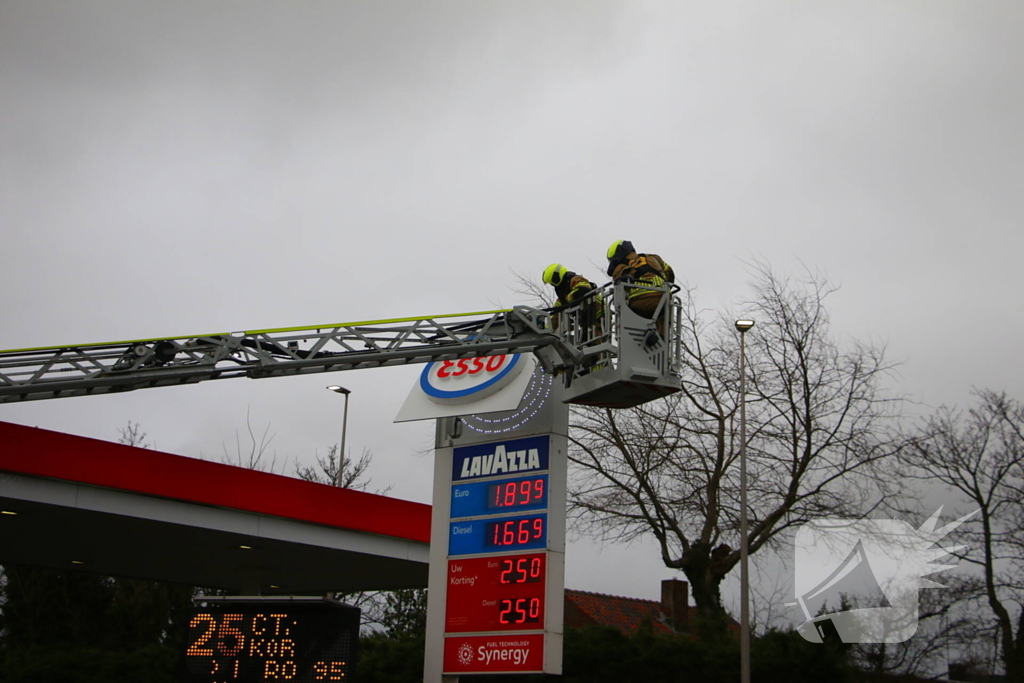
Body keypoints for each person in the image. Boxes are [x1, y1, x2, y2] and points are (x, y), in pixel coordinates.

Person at [605, 240, 674, 339]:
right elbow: (670, 273)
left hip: (639, 302)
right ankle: (662, 339)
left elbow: (619, 289)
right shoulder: (653, 257)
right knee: (663, 321)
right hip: (663, 299)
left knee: (633, 329)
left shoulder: (620, 267)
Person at [542, 263, 603, 362]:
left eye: (552, 281)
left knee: (594, 341)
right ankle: (590, 363)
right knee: (586, 341)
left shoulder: (575, 279)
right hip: (587, 319)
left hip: (599, 313)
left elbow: (583, 290)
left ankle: (596, 363)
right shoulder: (562, 293)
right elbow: (556, 314)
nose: (553, 284)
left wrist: (568, 299)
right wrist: (547, 331)